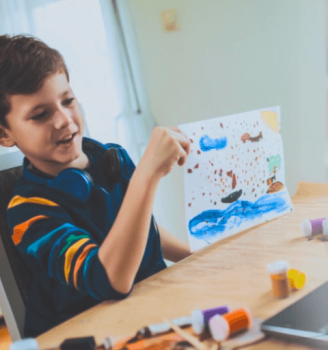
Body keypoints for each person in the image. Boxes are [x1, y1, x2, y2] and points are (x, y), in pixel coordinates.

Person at [0, 34, 192, 336]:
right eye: (40, 115)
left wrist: (200, 255)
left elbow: (145, 232)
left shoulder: (109, 157)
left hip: (150, 311)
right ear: (5, 135)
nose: (65, 120)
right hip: (87, 335)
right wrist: (147, 175)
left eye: (68, 100)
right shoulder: (28, 212)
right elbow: (109, 281)